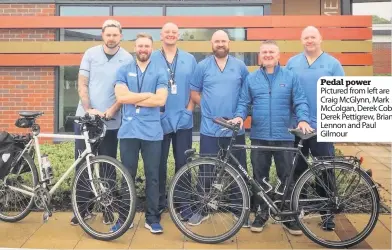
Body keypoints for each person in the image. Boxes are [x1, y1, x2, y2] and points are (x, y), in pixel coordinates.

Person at [229, 40, 312, 235]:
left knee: (287, 177)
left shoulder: (290, 77)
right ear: (260, 56)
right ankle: (262, 213)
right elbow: (243, 102)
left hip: (284, 135)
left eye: (271, 52)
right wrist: (240, 116)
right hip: (259, 136)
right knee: (259, 178)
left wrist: (303, 120)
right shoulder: (251, 79)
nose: (267, 55)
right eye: (264, 52)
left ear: (278, 55)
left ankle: (288, 216)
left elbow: (300, 101)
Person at [71, 19, 134, 226]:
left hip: (111, 121)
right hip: (86, 119)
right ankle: (82, 209)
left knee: (108, 165)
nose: (111, 38)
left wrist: (112, 110)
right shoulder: (90, 54)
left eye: (115, 35)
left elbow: (125, 91)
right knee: (82, 164)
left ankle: (108, 209)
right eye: (108, 34)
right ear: (102, 35)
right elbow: (82, 83)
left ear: (121, 36)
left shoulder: (127, 58)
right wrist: (89, 109)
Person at [188, 30, 250, 227]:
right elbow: (194, 91)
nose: (220, 44)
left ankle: (239, 208)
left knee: (238, 169)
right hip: (210, 128)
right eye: (217, 41)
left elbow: (246, 95)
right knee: (207, 169)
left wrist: (240, 116)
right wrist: (206, 108)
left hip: (234, 130)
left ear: (229, 43)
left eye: (223, 41)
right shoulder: (202, 66)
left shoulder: (240, 66)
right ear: (212, 44)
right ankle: (202, 208)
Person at [286, 26, 345, 231]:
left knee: (325, 171)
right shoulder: (292, 63)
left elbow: (341, 96)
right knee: (298, 170)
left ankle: (327, 213)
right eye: (306, 37)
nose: (309, 40)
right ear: (301, 40)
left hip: (323, 127)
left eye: (313, 37)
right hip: (298, 127)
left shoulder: (333, 64)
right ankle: (298, 209)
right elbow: (287, 92)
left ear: (320, 39)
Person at [113, 33, 169, 234]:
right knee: (127, 176)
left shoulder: (160, 71)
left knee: (153, 176)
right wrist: (146, 95)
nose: (143, 49)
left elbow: (161, 100)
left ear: (151, 48)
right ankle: (124, 219)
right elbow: (120, 96)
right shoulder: (124, 69)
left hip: (152, 132)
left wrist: (133, 98)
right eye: (140, 46)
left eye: (146, 46)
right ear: (134, 48)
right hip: (128, 132)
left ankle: (152, 218)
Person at [150, 22, 197, 219]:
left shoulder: (189, 59)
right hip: (158, 119)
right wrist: (155, 111)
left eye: (174, 32)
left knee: (184, 163)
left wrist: (189, 110)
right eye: (167, 32)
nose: (170, 35)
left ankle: (183, 204)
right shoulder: (152, 58)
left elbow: (195, 88)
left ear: (179, 35)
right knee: (158, 164)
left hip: (183, 119)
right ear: (161, 35)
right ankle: (159, 203)